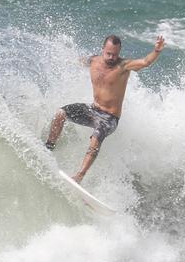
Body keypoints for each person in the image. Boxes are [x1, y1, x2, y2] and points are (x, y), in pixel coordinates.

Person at [45, 34, 165, 182]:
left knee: (96, 138)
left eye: (115, 54)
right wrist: (63, 58)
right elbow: (77, 61)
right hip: (92, 109)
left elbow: (145, 62)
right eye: (108, 53)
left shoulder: (123, 66)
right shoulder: (93, 61)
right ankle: (49, 147)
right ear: (103, 49)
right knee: (60, 113)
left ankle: (79, 176)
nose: (111, 57)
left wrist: (157, 51)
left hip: (110, 118)